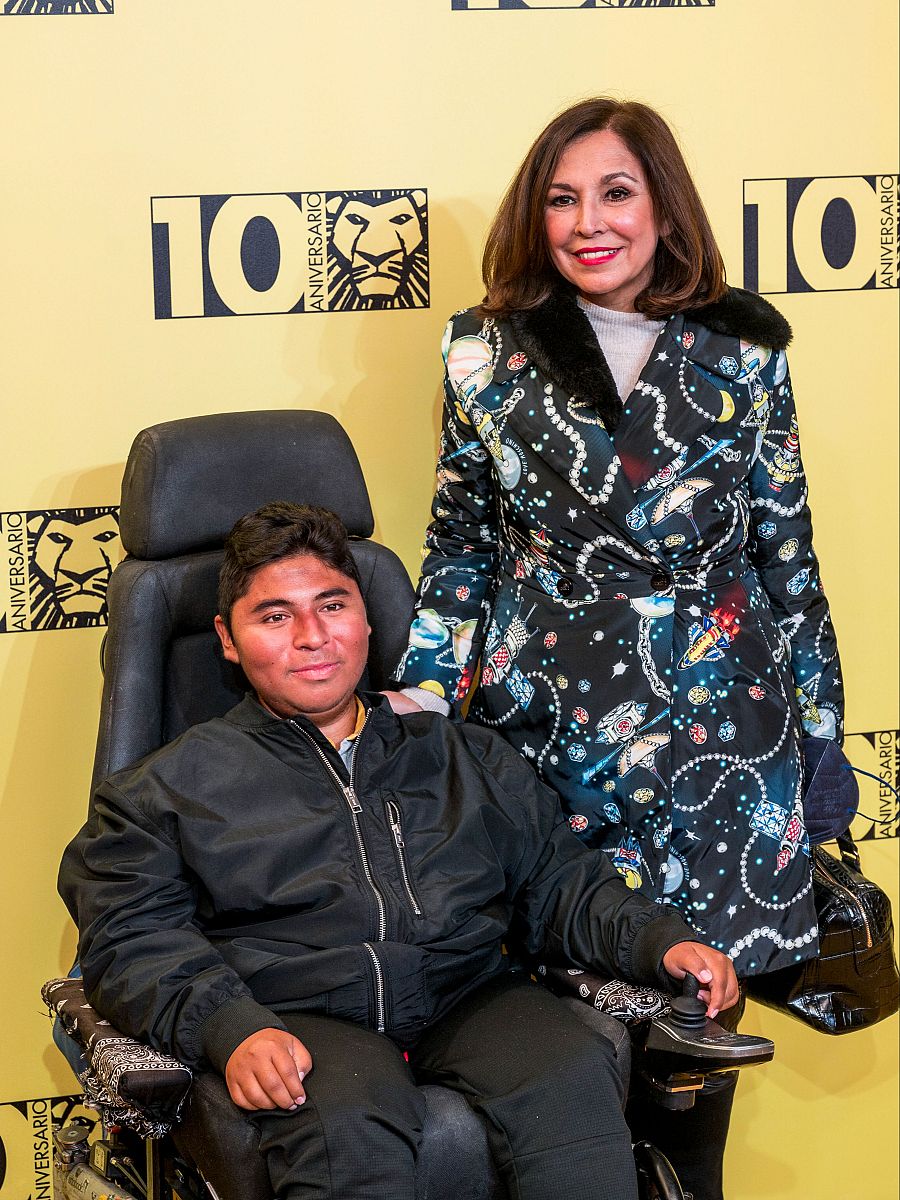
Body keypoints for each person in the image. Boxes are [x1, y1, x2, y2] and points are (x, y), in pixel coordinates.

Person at [391, 98, 843, 1200]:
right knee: (577, 1021)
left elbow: (788, 556)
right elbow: (460, 548)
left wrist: (823, 739)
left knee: (706, 1031)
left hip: (723, 749)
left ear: (662, 207)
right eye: (561, 198)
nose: (588, 222)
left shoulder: (747, 351)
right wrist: (423, 695)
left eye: (615, 193)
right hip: (554, 742)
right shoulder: (480, 354)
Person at [59, 501, 739, 1200]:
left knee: (570, 1078)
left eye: (333, 605)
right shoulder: (162, 791)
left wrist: (658, 940)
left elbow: (557, 882)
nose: (313, 636)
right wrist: (229, 1028)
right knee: (345, 1130)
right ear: (228, 640)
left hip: (467, 995)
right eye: (275, 616)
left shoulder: (461, 755)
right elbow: (131, 934)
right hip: (297, 1015)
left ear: (366, 619)